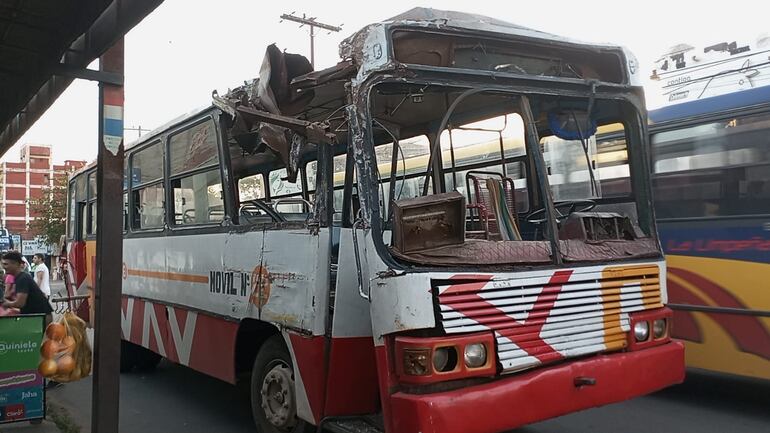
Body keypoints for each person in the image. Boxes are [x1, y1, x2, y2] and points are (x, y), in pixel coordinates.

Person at [1, 251, 53, 326]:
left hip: (41, 318)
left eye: (6, 264)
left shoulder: (23, 278)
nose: (4, 267)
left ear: (15, 264)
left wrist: (6, 304)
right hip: (36, 317)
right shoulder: (19, 278)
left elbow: (20, 303)